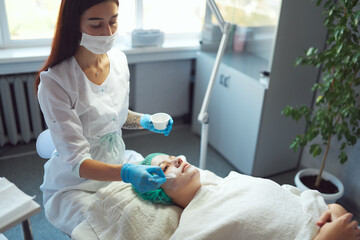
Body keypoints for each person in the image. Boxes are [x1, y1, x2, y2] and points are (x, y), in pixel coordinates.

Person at [35, 0, 172, 235]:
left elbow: (112, 115)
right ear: (73, 24)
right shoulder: (55, 82)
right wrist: (126, 173)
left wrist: (143, 120)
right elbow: (78, 162)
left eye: (113, 21)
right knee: (107, 230)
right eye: (96, 25)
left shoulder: (118, 60)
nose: (108, 33)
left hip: (117, 159)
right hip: (77, 182)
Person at [136, 153, 360, 240]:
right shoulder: (194, 227)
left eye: (172, 157)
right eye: (165, 168)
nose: (176, 160)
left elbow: (290, 195)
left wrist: (335, 210)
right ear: (158, 192)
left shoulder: (231, 180)